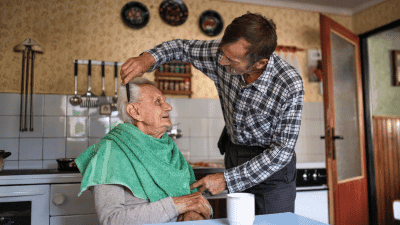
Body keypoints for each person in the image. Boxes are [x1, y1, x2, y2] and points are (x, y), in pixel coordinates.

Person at [120, 12, 304, 215]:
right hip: (235, 153)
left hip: (273, 169)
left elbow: (282, 152)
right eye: (223, 53)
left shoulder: (289, 84)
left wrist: (227, 180)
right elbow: (181, 47)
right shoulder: (222, 54)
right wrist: (148, 58)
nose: (222, 62)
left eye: (232, 60)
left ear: (259, 63)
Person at [75, 77, 212, 224]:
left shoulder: (170, 150)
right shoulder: (110, 153)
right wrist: (179, 204)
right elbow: (111, 220)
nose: (168, 107)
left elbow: (196, 201)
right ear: (134, 111)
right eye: (158, 102)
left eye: (164, 100)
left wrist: (194, 213)